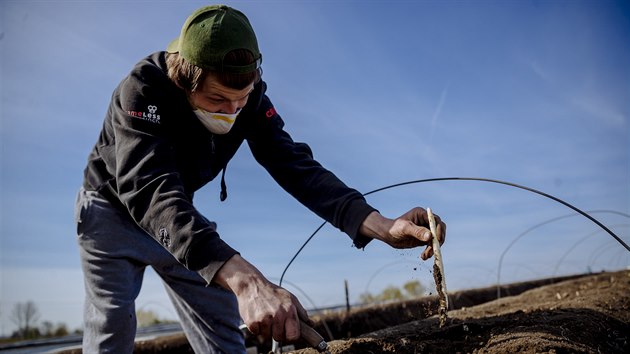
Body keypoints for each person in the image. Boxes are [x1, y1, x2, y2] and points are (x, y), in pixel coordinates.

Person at [75, 4, 446, 353]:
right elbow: (150, 188)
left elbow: (292, 164)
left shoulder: (249, 100)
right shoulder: (143, 89)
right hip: (112, 212)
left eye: (242, 98)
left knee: (220, 311)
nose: (233, 111)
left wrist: (379, 224)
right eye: (218, 98)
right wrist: (247, 280)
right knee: (113, 326)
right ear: (185, 81)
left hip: (177, 216)